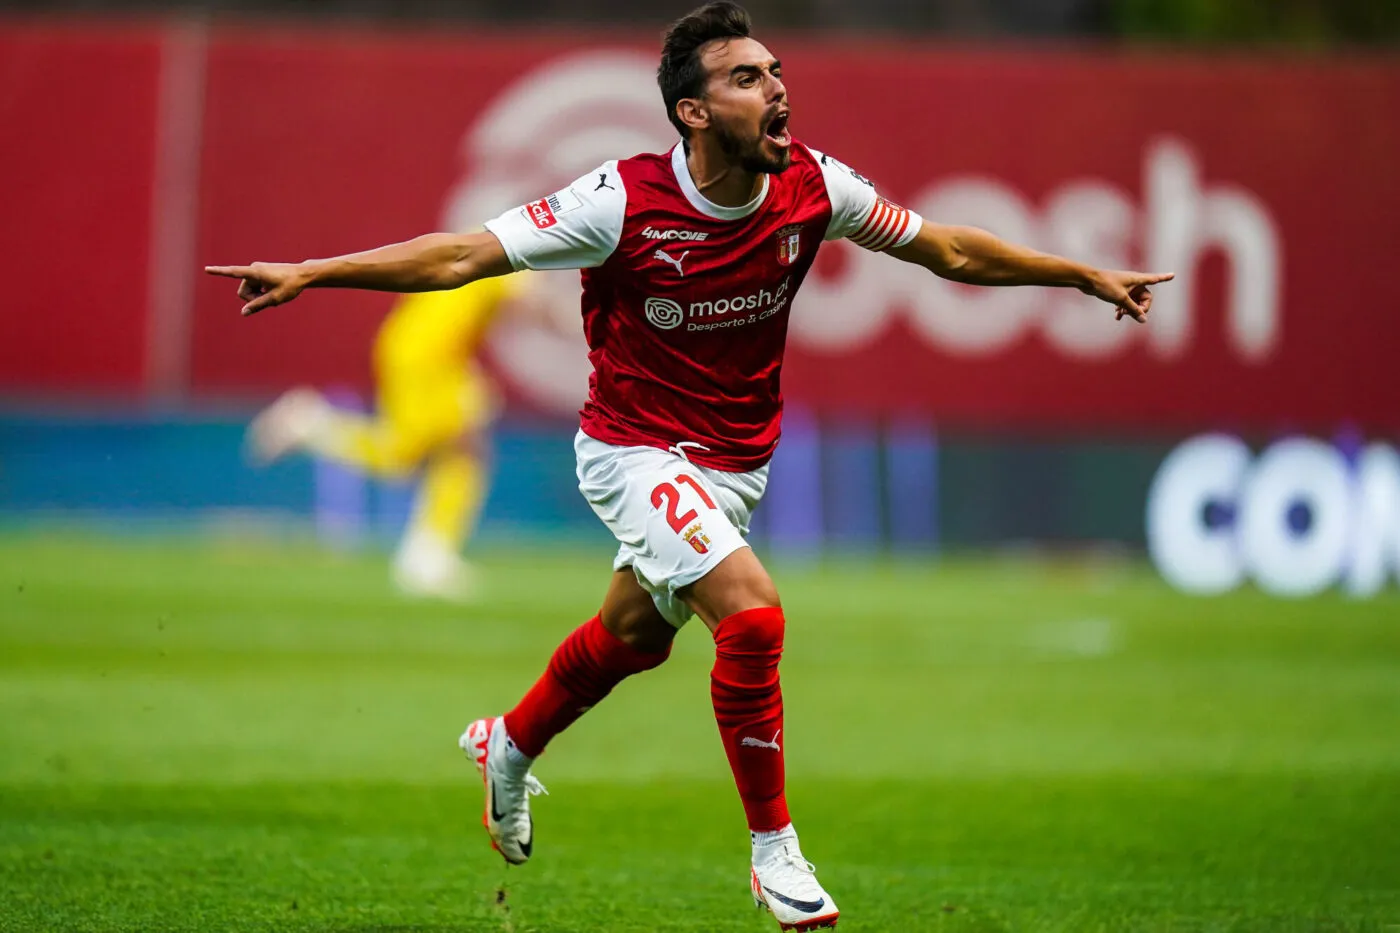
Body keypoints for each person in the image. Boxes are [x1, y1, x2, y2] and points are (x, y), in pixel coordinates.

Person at [207, 3, 1172, 927]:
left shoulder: (816, 189)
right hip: (630, 450)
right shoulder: (620, 201)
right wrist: (314, 272)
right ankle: (775, 852)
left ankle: (508, 741)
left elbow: (948, 248)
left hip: (734, 464)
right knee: (751, 614)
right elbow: (463, 256)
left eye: (778, 72)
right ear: (695, 111)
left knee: (635, 635)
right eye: (749, 78)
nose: (778, 90)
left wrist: (1079, 271)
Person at [245, 275, 533, 601]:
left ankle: (427, 553)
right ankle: (311, 425)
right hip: (429, 357)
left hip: (425, 351)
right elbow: (530, 305)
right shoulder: (517, 254)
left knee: (453, 448)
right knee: (428, 451)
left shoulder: (495, 248)